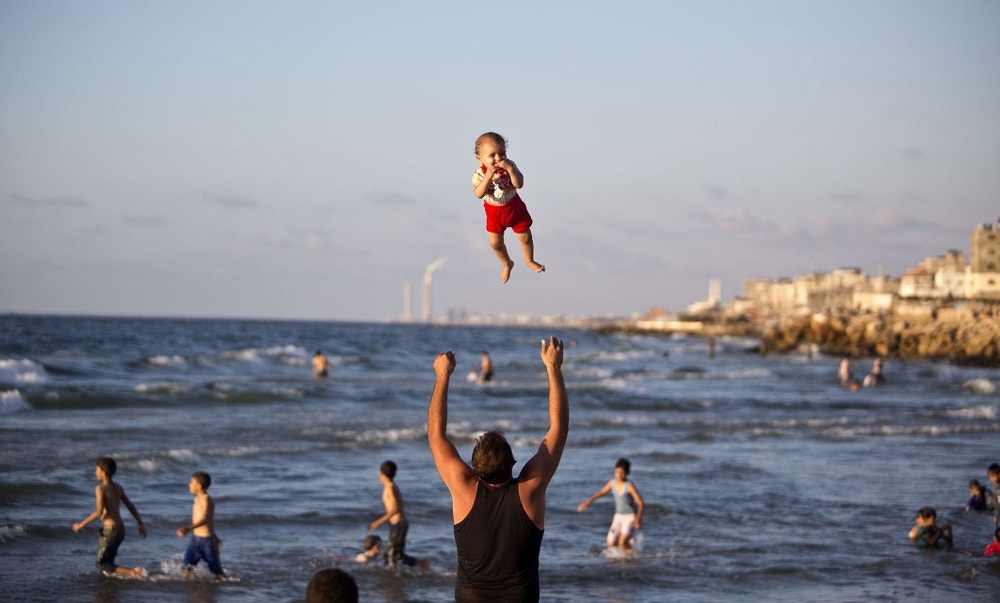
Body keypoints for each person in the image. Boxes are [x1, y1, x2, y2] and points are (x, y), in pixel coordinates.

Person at [428, 336, 568, 602]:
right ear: (514, 463)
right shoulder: (530, 489)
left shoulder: (462, 486)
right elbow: (558, 430)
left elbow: (435, 435)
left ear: (474, 468)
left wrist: (442, 376)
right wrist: (553, 368)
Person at [471, 132, 545, 283]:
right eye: (492, 155)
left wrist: (510, 170)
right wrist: (487, 178)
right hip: (494, 213)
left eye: (502, 153)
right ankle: (507, 264)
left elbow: (519, 184)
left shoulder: (510, 166)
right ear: (480, 158)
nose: (498, 158)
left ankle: (529, 260)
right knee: (495, 243)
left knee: (525, 236)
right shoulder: (479, 174)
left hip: (514, 207)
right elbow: (478, 194)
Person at [72, 456, 147, 577]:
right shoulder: (118, 487)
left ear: (103, 472)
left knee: (101, 563)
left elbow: (99, 511)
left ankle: (133, 572)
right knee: (108, 562)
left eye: (97, 469)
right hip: (120, 529)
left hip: (110, 530)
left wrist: (81, 525)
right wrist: (140, 524)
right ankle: (111, 585)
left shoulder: (100, 488)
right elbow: (130, 506)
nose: (95, 471)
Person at [577, 457, 645, 555]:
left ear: (628, 473)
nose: (619, 475)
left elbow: (640, 502)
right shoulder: (612, 483)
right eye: (617, 472)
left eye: (622, 473)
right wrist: (587, 502)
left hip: (630, 516)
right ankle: (626, 551)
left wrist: (638, 518)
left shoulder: (629, 486)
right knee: (611, 542)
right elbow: (601, 492)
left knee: (622, 542)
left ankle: (629, 560)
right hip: (618, 516)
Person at [367, 460, 421, 568]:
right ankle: (421, 564)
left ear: (381, 473)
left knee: (391, 557)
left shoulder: (390, 488)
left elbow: (394, 509)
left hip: (398, 524)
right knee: (396, 555)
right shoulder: (392, 486)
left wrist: (378, 523)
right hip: (399, 524)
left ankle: (420, 565)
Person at [176, 472, 224, 579]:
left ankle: (226, 586)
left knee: (216, 571)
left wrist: (187, 528)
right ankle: (192, 588)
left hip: (207, 542)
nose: (189, 484)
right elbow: (209, 522)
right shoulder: (196, 499)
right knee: (185, 568)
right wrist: (215, 536)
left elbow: (204, 520)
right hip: (196, 540)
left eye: (191, 482)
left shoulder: (206, 499)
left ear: (199, 486)